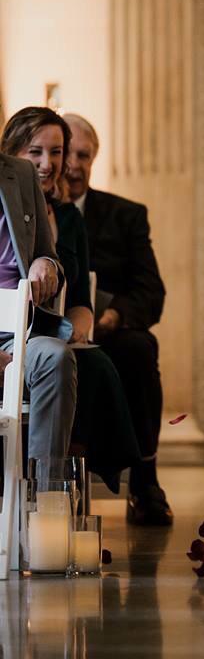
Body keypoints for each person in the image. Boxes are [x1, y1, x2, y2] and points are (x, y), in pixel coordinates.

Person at [1, 107, 140, 491]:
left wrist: (48, 261)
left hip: (43, 330)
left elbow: (78, 295)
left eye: (57, 152)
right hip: (23, 329)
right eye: (36, 153)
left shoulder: (67, 217)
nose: (49, 164)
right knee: (92, 366)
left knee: (91, 359)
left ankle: (50, 492)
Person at [63, 113, 172, 527]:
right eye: (65, 153)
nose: (73, 164)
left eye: (83, 155)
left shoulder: (126, 215)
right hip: (54, 333)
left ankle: (145, 482)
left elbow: (150, 290)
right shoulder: (36, 213)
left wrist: (113, 316)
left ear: (94, 159)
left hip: (108, 332)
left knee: (141, 348)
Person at [0, 146, 75, 461]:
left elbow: (50, 255)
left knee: (55, 358)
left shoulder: (21, 173)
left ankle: (47, 498)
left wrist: (44, 264)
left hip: (19, 337)